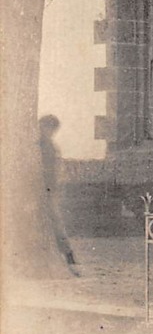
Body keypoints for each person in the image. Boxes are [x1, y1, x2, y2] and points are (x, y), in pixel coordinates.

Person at [39, 115, 79, 275]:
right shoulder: (40, 145)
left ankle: (69, 256)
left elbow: (55, 171)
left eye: (46, 128)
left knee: (55, 221)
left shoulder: (50, 147)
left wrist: (51, 188)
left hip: (49, 190)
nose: (42, 130)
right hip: (44, 189)